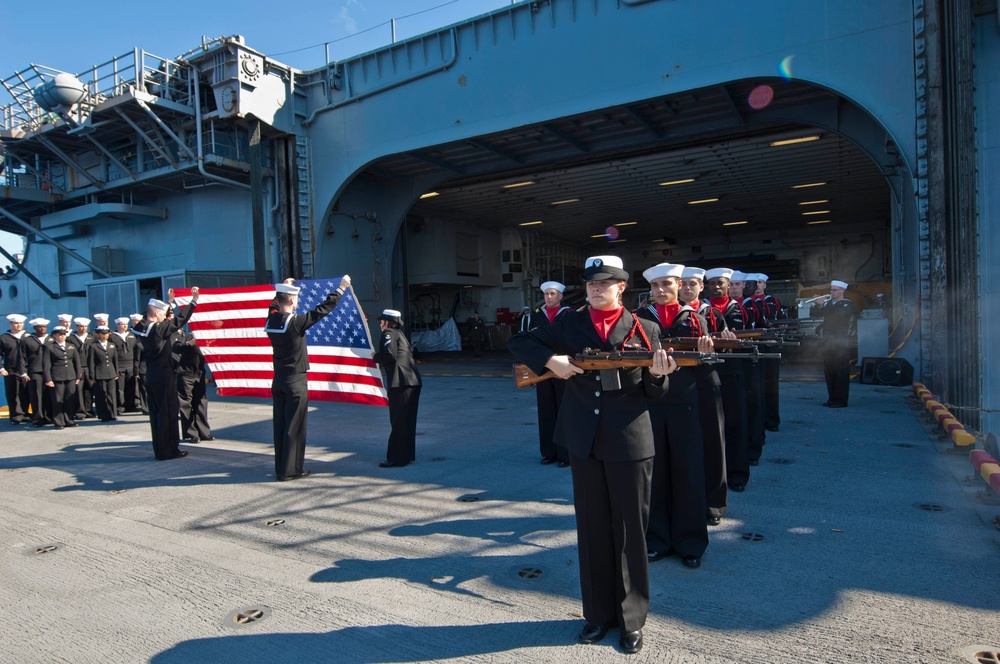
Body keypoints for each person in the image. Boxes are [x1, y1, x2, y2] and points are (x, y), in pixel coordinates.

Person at [508, 255, 675, 655]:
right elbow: (519, 341)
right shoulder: (568, 323)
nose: (596, 289)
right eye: (590, 284)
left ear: (621, 287)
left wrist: (657, 375)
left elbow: (656, 396)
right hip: (584, 440)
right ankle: (597, 615)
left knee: (630, 533)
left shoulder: (645, 327)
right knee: (593, 531)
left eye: (605, 283)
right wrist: (552, 361)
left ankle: (632, 620)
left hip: (630, 442)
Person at [637, 263, 711, 568]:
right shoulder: (640, 319)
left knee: (689, 473)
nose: (660, 290)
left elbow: (705, 366)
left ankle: (690, 542)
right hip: (651, 403)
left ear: (679, 285)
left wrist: (705, 357)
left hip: (684, 403)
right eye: (655, 286)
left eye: (666, 284)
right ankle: (656, 540)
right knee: (654, 475)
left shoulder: (694, 318)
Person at [265, 276, 350, 481]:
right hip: (296, 381)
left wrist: (286, 287)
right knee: (295, 427)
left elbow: (273, 306)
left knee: (281, 426)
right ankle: (291, 470)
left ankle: (280, 467)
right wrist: (341, 289)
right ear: (292, 300)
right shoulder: (295, 322)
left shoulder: (272, 320)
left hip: (279, 380)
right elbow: (322, 310)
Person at [679, 266, 730, 527]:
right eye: (683, 284)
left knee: (713, 443)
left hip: (706, 381)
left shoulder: (713, 314)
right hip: (677, 385)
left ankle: (713, 503)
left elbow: (724, 349)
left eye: (693, 284)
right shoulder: (668, 314)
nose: (687, 288)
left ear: (702, 286)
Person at [133, 290, 199, 460]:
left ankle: (160, 449)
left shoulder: (141, 327)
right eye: (163, 314)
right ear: (156, 313)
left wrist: (169, 302)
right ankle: (169, 450)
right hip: (164, 375)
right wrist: (193, 302)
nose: (166, 317)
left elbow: (159, 319)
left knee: (156, 415)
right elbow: (179, 321)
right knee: (168, 414)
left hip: (151, 374)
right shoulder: (157, 329)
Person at [705, 268, 752, 493]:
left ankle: (737, 474)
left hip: (733, 371)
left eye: (720, 283)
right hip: (710, 371)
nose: (716, 287)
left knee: (736, 424)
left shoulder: (739, 309)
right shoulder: (703, 310)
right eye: (712, 283)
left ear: (728, 285)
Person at [529, 281, 572, 467]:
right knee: (546, 412)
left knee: (565, 412)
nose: (549, 297)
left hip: (563, 367)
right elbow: (530, 342)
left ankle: (565, 454)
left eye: (553, 293)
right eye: (546, 294)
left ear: (560, 296)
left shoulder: (569, 316)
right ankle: (548, 452)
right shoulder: (537, 316)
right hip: (544, 368)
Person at [374, 308, 422, 468]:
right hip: (413, 382)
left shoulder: (389, 333)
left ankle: (396, 458)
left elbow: (389, 355)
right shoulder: (401, 335)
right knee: (408, 421)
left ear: (388, 322)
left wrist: (374, 357)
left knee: (398, 421)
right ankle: (406, 455)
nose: (380, 325)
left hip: (400, 383)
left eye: (382, 321)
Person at [814, 279, 856, 408]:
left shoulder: (846, 304)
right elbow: (815, 315)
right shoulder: (830, 304)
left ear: (842, 291)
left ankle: (840, 400)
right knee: (829, 371)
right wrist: (817, 305)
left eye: (834, 290)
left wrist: (823, 306)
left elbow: (837, 318)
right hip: (828, 342)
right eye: (831, 290)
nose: (831, 292)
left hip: (840, 342)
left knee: (841, 371)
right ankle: (832, 398)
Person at [172, 328, 213, 443]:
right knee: (186, 404)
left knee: (201, 403)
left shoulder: (207, 339)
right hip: (186, 374)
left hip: (199, 375)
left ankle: (204, 432)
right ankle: (191, 434)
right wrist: (188, 344)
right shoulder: (187, 336)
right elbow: (176, 348)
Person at [43, 326, 82, 429]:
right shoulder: (50, 347)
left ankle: (69, 419)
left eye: (64, 334)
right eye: (60, 334)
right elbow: (47, 364)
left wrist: (78, 376)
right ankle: (58, 421)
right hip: (57, 377)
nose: (62, 336)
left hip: (70, 376)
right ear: (55, 335)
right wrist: (48, 379)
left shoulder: (71, 346)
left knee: (70, 399)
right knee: (57, 400)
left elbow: (77, 362)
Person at [19, 319, 52, 427]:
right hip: (35, 371)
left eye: (44, 327)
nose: (42, 329)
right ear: (34, 328)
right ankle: (38, 418)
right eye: (39, 327)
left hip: (50, 371)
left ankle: (49, 417)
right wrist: (23, 372)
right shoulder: (28, 341)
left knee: (49, 395)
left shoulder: (51, 339)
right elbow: (22, 358)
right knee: (36, 396)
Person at [86, 325, 119, 422]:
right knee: (101, 395)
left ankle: (112, 413)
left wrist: (116, 372)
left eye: (107, 333)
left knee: (111, 394)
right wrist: (92, 375)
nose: (106, 335)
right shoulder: (94, 346)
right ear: (98, 334)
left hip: (111, 372)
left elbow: (115, 360)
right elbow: (91, 362)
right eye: (103, 334)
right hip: (100, 373)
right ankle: (103, 415)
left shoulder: (111, 345)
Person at [1, 314, 29, 425]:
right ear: (11, 324)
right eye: (16, 323)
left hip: (26, 369)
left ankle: (25, 414)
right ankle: (15, 416)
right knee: (13, 393)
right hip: (11, 369)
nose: (19, 325)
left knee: (25, 392)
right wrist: (1, 368)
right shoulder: (4, 338)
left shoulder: (27, 336)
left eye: (21, 323)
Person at [68, 317, 95, 420]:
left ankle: (88, 410)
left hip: (89, 367)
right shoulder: (71, 338)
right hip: (78, 367)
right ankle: (80, 411)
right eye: (81, 326)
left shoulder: (91, 338)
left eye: (85, 326)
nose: (83, 328)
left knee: (89, 389)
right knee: (78, 390)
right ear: (76, 327)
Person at [111, 317, 139, 414]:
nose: (124, 326)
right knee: (120, 387)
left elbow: (136, 350)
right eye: (122, 324)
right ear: (117, 325)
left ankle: (130, 405)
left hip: (130, 364)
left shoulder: (131, 335)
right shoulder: (113, 336)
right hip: (120, 364)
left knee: (131, 386)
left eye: (126, 324)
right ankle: (120, 406)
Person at [129, 313, 148, 414]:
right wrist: (136, 372)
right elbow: (137, 359)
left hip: (151, 369)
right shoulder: (139, 345)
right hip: (143, 369)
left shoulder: (150, 344)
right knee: (143, 389)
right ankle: (145, 408)